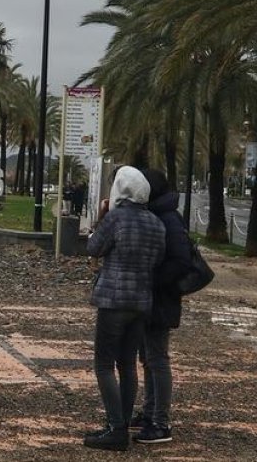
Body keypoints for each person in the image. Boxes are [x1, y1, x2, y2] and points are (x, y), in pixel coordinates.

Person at [83, 165, 166, 451]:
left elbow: (93, 247)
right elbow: (158, 260)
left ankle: (116, 427)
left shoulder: (116, 218)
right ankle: (123, 420)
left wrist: (101, 217)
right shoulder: (156, 223)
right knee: (128, 363)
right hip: (141, 303)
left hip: (112, 301)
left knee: (104, 364)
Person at [129, 169, 194, 444]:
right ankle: (150, 411)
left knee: (157, 359)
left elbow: (181, 260)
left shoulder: (167, 218)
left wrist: (151, 280)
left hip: (161, 298)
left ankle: (160, 422)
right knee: (148, 357)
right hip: (151, 297)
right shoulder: (158, 214)